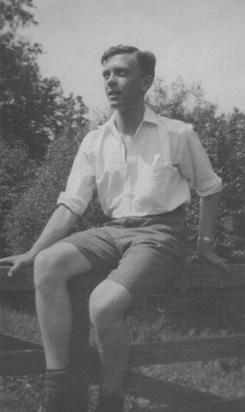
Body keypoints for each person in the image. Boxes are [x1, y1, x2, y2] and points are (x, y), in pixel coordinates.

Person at [0, 45, 229, 412]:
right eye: (106, 74)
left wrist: (203, 245)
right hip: (111, 231)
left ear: (146, 82)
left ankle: (111, 399)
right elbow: (71, 204)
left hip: (160, 234)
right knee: (47, 264)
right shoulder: (95, 140)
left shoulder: (177, 133)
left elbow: (210, 188)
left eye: (121, 73)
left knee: (103, 303)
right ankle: (58, 392)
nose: (111, 81)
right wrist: (32, 250)